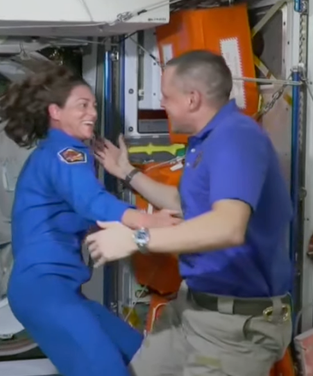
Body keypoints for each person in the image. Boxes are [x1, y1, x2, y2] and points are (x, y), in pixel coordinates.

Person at [87, 50, 293, 376]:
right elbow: (187, 203)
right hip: (191, 307)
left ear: (192, 99)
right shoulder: (205, 141)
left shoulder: (235, 137)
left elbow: (228, 226)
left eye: (167, 96)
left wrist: (137, 238)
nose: (163, 104)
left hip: (234, 327)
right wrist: (127, 173)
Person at [0, 63, 182, 376]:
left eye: (93, 105)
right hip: (44, 290)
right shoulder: (66, 153)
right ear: (55, 111)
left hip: (59, 291)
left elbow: (88, 214)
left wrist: (126, 182)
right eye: (82, 106)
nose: (92, 113)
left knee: (144, 358)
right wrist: (149, 222)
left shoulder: (53, 154)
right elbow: (93, 202)